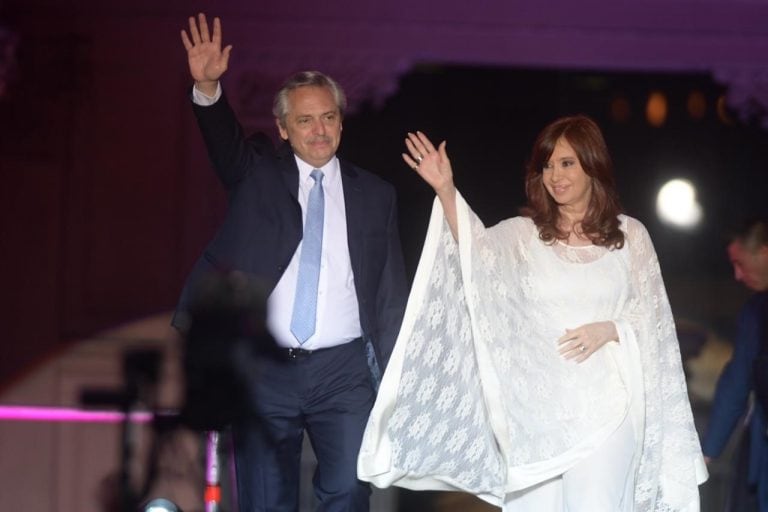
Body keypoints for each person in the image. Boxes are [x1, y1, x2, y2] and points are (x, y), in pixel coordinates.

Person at [357, 116, 708, 510]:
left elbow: (654, 318)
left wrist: (613, 328)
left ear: (593, 165)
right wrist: (446, 188)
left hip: (610, 408)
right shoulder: (525, 235)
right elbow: (477, 253)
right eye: (547, 165)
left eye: (566, 163)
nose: (554, 176)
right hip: (539, 418)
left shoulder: (630, 236)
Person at [175, 13, 408, 511]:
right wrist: (208, 86)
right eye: (305, 120)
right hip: (266, 368)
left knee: (347, 489)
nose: (319, 130)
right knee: (264, 499)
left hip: (344, 372)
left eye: (328, 117)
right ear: (283, 128)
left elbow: (389, 295)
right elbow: (226, 147)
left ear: (342, 122)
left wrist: (395, 380)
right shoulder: (257, 174)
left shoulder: (376, 195)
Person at [702, 219, 768, 512]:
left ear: (764, 252)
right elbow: (737, 381)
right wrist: (708, 450)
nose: (738, 275)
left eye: (740, 264)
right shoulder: (756, 312)